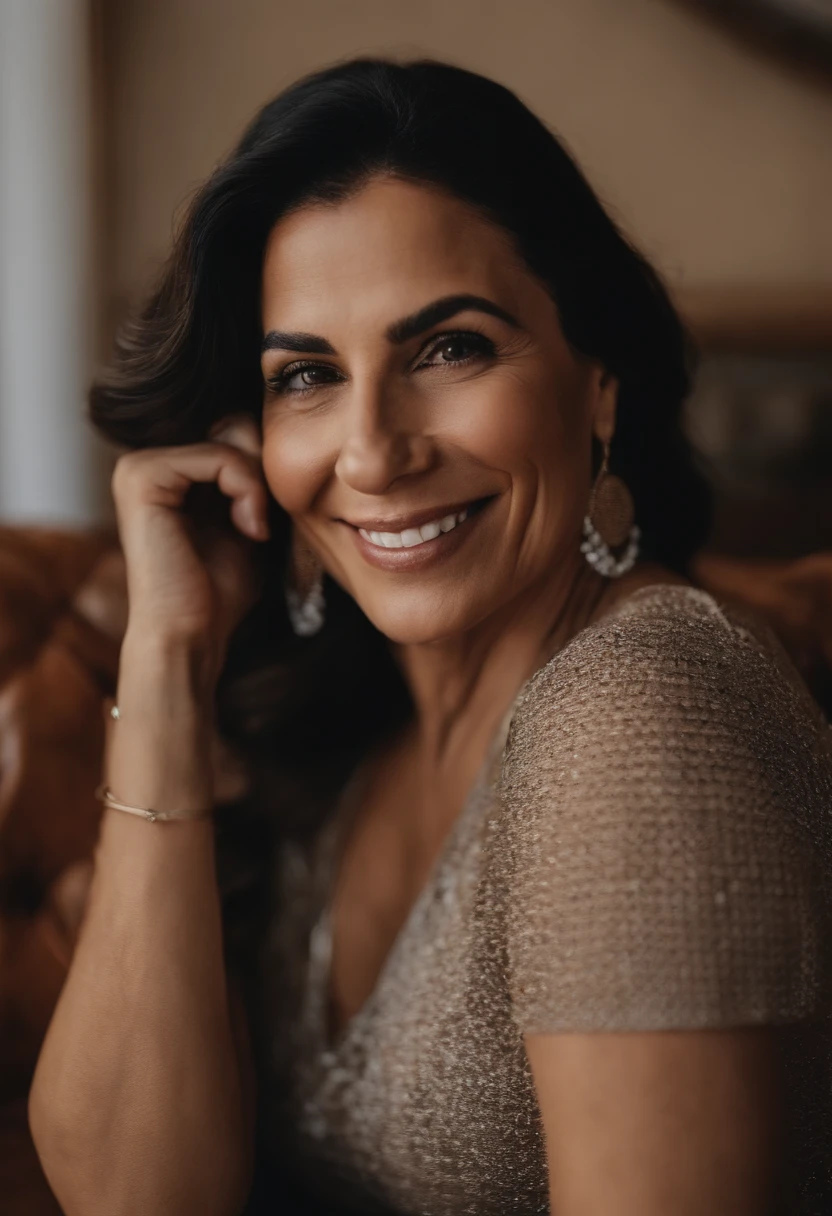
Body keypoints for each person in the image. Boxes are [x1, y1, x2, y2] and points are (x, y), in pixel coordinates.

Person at [28, 57, 832, 1216]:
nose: (372, 452)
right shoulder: (352, 727)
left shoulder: (641, 715)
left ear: (596, 384)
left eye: (448, 349)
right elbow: (132, 1193)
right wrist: (166, 664)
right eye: (306, 374)